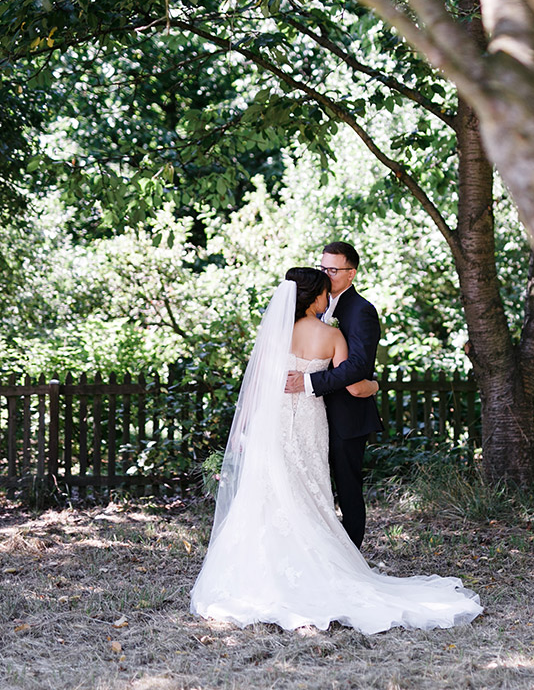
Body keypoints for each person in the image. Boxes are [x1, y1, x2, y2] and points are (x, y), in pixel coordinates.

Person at [190, 268, 481, 634]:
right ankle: (316, 571)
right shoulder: (331, 335)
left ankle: (260, 575)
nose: (329, 299)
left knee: (266, 494)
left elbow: (250, 393)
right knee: (309, 492)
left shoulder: (273, 335)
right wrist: (375, 385)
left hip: (271, 425)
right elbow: (355, 388)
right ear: (315, 298)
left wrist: (242, 436)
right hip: (309, 424)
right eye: (325, 293)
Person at [284, 242, 380, 549]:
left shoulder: (361, 311)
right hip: (302, 416)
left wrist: (309, 382)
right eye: (323, 267)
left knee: (347, 489)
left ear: (350, 274)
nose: (326, 274)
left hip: (344, 415)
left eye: (333, 270)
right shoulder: (302, 310)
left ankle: (350, 557)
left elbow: (357, 367)